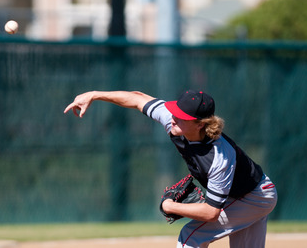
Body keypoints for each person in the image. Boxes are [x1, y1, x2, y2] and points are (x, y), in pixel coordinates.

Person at [64, 89, 278, 248]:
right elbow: (138, 98)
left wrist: (169, 206)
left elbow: (211, 212)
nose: (173, 118)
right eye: (175, 112)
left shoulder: (220, 156)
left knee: (191, 236)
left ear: (200, 124)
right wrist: (94, 94)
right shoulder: (175, 122)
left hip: (253, 197)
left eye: (181, 117)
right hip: (250, 193)